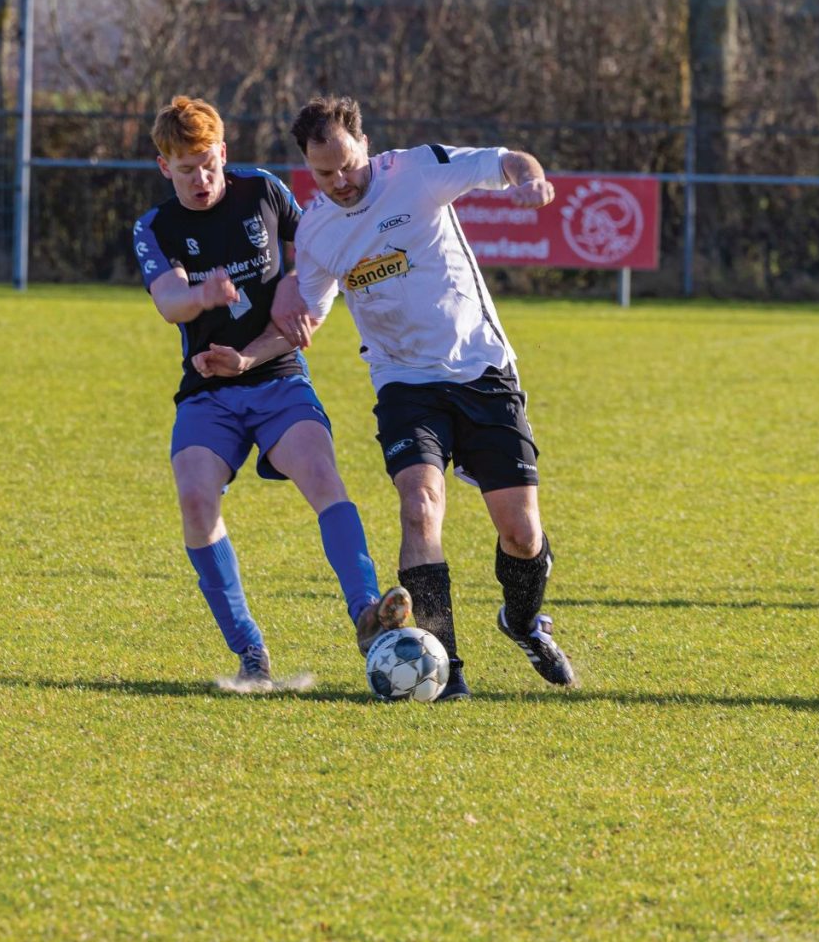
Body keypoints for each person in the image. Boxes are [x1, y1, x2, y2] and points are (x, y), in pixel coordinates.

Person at [272, 95, 575, 699]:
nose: (340, 182)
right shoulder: (318, 228)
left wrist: (531, 179)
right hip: (404, 384)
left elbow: (508, 159)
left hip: (482, 369)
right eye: (324, 173)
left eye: (348, 166)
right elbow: (310, 307)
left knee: (520, 533)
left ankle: (521, 621)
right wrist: (284, 306)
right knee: (419, 505)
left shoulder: (416, 170)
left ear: (366, 146)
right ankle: (447, 668)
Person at [132, 95, 411, 693]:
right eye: (185, 170)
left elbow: (314, 246)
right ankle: (250, 651)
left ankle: (367, 613)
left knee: (321, 474)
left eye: (208, 164)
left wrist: (291, 283)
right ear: (164, 168)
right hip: (208, 389)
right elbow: (167, 301)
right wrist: (202, 296)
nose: (201, 179)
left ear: (224, 154)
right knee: (196, 502)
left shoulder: (259, 188)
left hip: (279, 374)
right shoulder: (156, 227)